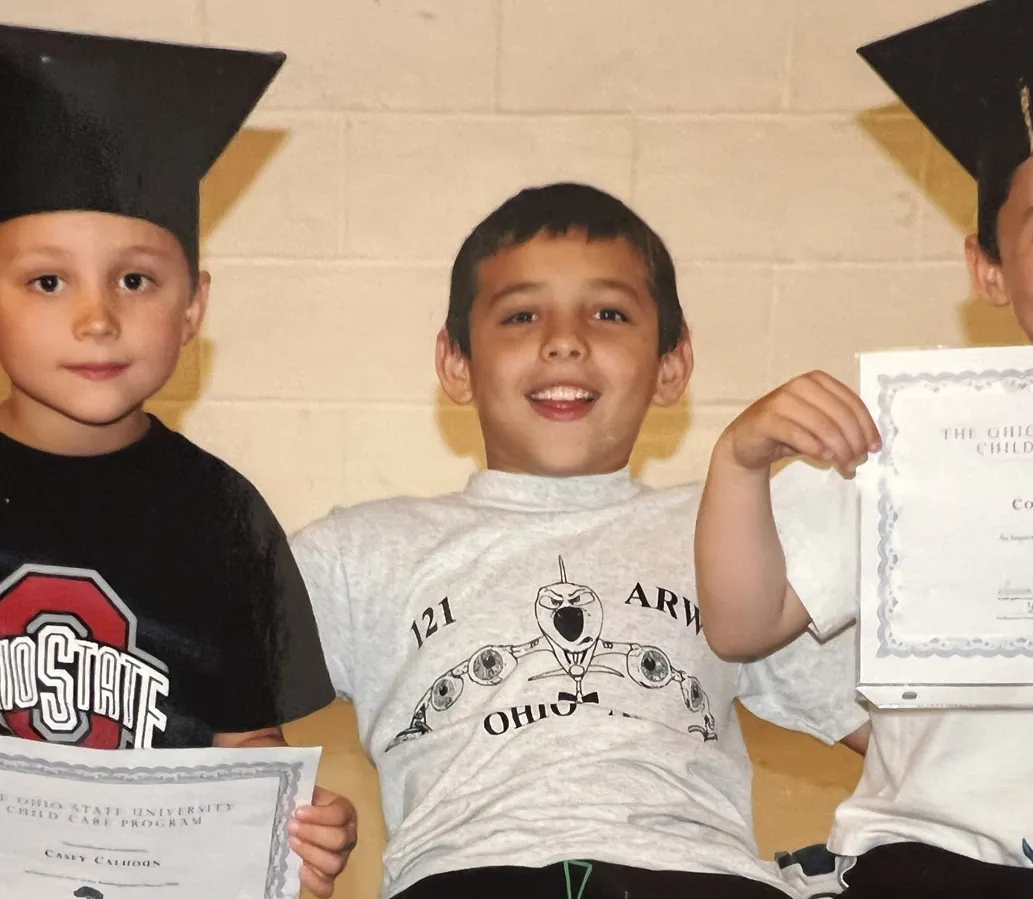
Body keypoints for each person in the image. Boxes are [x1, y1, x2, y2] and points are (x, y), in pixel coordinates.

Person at [695, 1, 1033, 897]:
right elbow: (741, 623)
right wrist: (739, 461)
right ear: (988, 268)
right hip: (944, 858)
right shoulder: (914, 437)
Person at [291, 181, 868, 899]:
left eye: (609, 312)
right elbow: (186, 673)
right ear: (456, 363)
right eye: (521, 313)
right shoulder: (358, 551)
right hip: (467, 879)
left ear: (671, 364)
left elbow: (911, 737)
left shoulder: (731, 522)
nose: (564, 340)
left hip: (695, 876)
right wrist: (279, 825)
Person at [0, 24, 356, 897]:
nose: (96, 319)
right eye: (49, 281)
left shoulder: (225, 518)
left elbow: (249, 752)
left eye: (136, 280)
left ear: (194, 306)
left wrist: (297, 837)